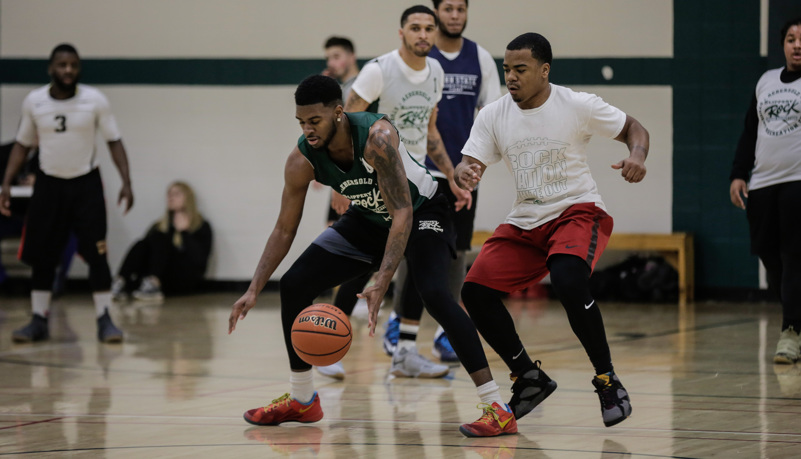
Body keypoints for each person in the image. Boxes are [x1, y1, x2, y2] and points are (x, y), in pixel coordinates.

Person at [228, 74, 517, 437]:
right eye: (301, 122)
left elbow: (402, 212)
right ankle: (302, 400)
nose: (307, 130)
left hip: (424, 209)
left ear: (338, 113)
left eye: (314, 121)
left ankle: (496, 407)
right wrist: (254, 288)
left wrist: (383, 276)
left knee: (434, 294)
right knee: (294, 284)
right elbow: (284, 228)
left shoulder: (377, 139)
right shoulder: (302, 158)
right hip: (368, 219)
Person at [454, 32, 649, 428]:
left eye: (520, 69)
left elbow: (635, 129)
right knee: (474, 292)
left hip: (576, 211)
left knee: (568, 278)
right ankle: (529, 377)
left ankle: (608, 379)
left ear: (544, 71)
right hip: (526, 218)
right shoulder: (493, 114)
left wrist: (637, 156)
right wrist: (464, 171)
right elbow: (468, 161)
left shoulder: (576, 104)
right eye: (506, 69)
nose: (511, 77)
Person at [345, 4, 471, 375]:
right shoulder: (378, 71)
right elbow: (348, 124)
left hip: (417, 181)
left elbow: (429, 133)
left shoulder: (436, 70)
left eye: (428, 28)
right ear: (401, 33)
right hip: (376, 179)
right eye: (415, 28)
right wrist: (344, 183)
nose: (423, 34)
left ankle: (405, 351)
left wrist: (449, 174)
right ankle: (329, 334)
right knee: (360, 262)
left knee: (422, 260)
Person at [382, 0, 502, 363]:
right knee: (412, 248)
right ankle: (400, 324)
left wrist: (474, 165)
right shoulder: (418, 56)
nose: (455, 15)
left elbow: (493, 112)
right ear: (435, 14)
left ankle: (448, 331)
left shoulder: (479, 58)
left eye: (460, 9)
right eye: (447, 8)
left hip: (459, 171)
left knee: (456, 250)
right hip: (415, 169)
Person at [0, 43, 134, 343]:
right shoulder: (34, 101)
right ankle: (38, 319)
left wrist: (126, 181)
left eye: (73, 64)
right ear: (51, 68)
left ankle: (104, 319)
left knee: (97, 254)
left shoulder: (94, 100)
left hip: (86, 184)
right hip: (49, 186)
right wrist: (7, 182)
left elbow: (114, 140)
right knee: (43, 256)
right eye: (62, 65)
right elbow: (22, 144)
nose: (68, 70)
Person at [730, 17, 801, 364]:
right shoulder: (766, 81)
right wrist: (738, 174)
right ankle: (796, 321)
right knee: (770, 257)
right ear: (783, 44)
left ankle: (791, 331)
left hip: (798, 182)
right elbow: (750, 131)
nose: (797, 45)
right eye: (791, 39)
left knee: (793, 257)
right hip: (762, 184)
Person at [111, 181, 212, 302]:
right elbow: (146, 252)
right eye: (169, 194)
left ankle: (153, 283)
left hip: (183, 278)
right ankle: (121, 281)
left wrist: (185, 233)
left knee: (160, 237)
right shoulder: (160, 225)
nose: (171, 197)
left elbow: (200, 260)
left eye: (176, 194)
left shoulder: (201, 225)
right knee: (142, 243)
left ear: (188, 198)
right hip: (162, 276)